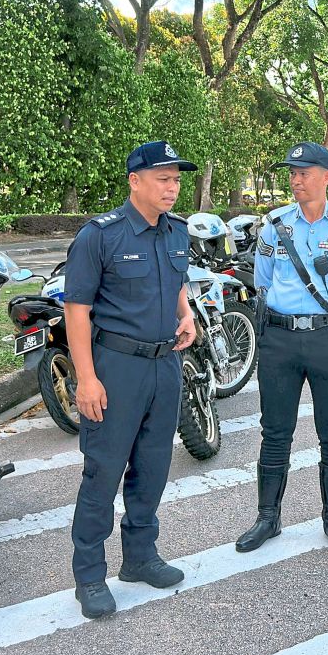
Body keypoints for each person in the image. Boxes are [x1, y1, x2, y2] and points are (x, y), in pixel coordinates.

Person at [64, 141, 199, 619]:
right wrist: (86, 378)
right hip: (116, 368)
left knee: (152, 467)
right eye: (163, 178)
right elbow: (76, 311)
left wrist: (185, 313)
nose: (172, 187)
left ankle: (140, 557)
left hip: (165, 366)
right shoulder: (100, 236)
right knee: (102, 473)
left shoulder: (177, 231)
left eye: (176, 179)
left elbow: (175, 281)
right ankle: (89, 577)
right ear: (134, 181)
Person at [236, 142, 328, 555]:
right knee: (274, 431)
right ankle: (268, 518)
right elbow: (262, 279)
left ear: (327, 177)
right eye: (292, 173)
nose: (296, 180)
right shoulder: (275, 224)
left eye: (304, 173)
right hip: (280, 338)